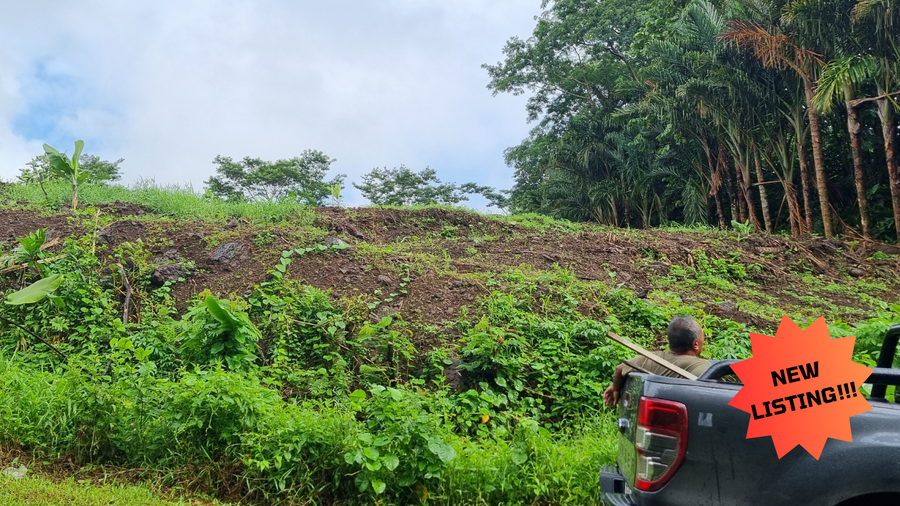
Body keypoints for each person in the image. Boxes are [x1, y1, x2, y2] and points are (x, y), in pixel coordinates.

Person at [602, 316, 711, 407]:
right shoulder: (703, 366)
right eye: (703, 337)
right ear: (695, 344)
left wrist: (616, 388)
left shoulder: (650, 357)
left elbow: (619, 369)